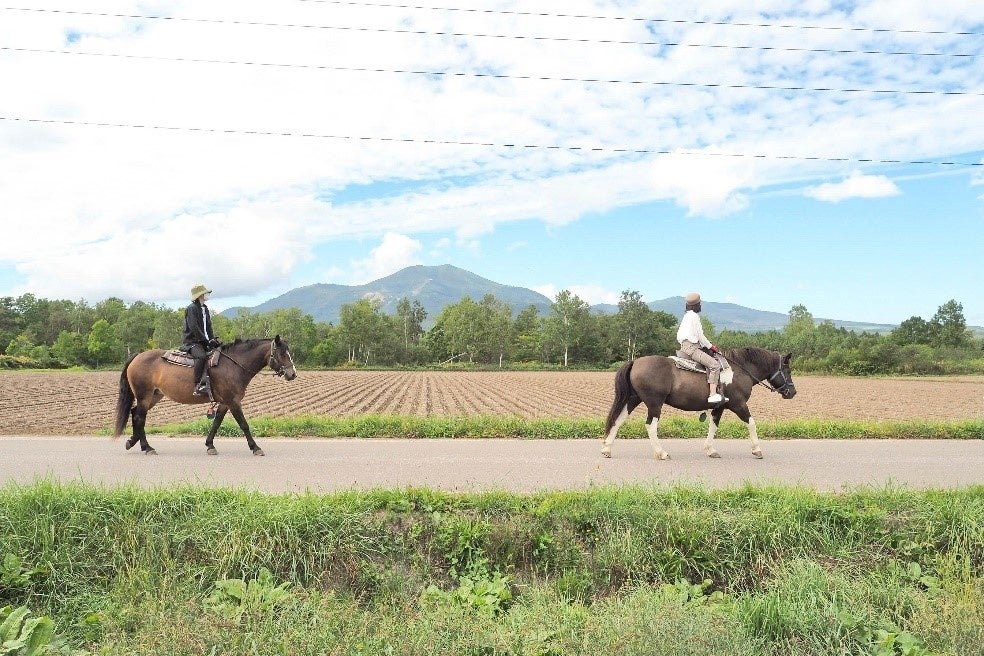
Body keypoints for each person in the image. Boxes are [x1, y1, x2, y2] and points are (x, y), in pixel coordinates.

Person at [676, 292, 724, 404]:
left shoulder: (686, 316)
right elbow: (700, 336)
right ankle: (712, 394)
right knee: (714, 365)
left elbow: (680, 336)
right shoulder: (694, 316)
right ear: (697, 305)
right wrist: (711, 346)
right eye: (700, 303)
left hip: (685, 346)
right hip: (692, 348)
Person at [182, 284, 220, 396]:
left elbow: (208, 326)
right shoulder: (191, 308)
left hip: (204, 341)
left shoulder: (205, 308)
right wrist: (205, 341)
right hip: (192, 342)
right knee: (201, 356)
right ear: (200, 295)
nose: (207, 295)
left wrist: (212, 339)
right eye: (205, 293)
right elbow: (194, 328)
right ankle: (198, 385)